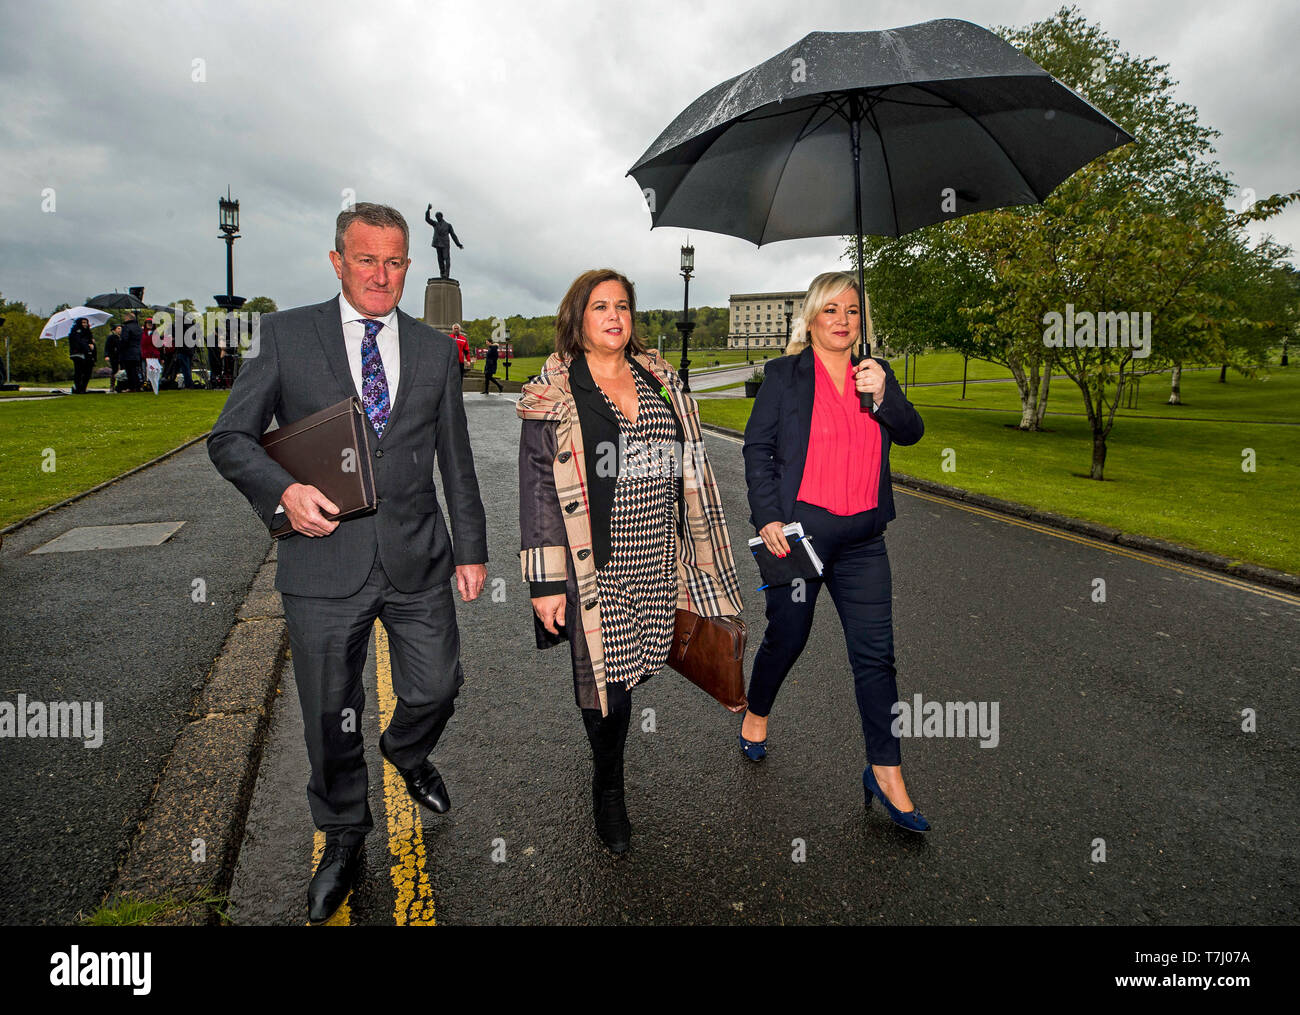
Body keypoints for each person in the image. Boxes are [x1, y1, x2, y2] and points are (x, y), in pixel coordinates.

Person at [208, 202, 489, 922]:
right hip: (322, 563)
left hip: (418, 556)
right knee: (330, 714)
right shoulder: (286, 335)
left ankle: (405, 747)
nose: (382, 274)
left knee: (437, 685)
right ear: (338, 262)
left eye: (395, 261)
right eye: (366, 259)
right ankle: (342, 832)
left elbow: (454, 458)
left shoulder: (433, 349)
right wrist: (285, 493)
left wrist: (473, 548)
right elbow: (231, 438)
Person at [517, 268, 743, 854]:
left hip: (656, 561)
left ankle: (609, 758)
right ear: (578, 320)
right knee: (605, 686)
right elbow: (539, 490)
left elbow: (685, 467)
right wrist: (545, 583)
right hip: (595, 563)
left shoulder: (660, 380)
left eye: (622, 306)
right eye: (600, 307)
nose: (614, 316)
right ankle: (609, 786)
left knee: (634, 669)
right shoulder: (558, 394)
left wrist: (697, 547)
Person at [740, 271, 929, 832]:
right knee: (788, 637)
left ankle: (886, 771)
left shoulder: (876, 375)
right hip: (803, 536)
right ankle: (756, 711)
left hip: (865, 541)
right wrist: (768, 514)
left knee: (876, 657)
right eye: (831, 310)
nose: (842, 320)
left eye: (852, 310)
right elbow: (758, 449)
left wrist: (885, 394)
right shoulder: (783, 376)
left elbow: (913, 432)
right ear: (812, 318)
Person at [424, 207, 463, 279]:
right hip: (438, 243)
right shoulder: (435, 224)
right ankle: (442, 273)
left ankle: (446, 274)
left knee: (446, 258)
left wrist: (458, 244)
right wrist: (428, 210)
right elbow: (427, 219)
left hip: (445, 244)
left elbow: (453, 235)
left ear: (441, 216)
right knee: (440, 260)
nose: (437, 218)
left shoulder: (448, 225)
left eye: (438, 217)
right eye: (436, 217)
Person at [68, 318, 95, 393]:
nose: (84, 324)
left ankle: (82, 388)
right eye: (83, 322)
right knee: (79, 372)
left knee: (87, 372)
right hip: (78, 354)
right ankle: (78, 388)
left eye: (86, 322)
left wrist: (91, 343)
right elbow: (79, 342)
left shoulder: (87, 332)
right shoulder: (76, 331)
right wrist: (88, 346)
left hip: (87, 354)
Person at [120, 313, 144, 391]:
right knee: (136, 370)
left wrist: (120, 346)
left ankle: (132, 386)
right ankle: (138, 386)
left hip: (128, 352)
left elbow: (125, 340)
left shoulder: (126, 327)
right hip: (138, 351)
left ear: (128, 318)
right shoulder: (138, 327)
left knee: (130, 371)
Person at [142, 318, 164, 394]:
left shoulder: (155, 333)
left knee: (155, 371)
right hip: (145, 355)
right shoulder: (143, 333)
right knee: (146, 372)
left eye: (151, 323)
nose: (149, 324)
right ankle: (148, 385)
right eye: (148, 323)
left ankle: (155, 387)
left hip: (154, 355)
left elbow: (159, 345)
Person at [105, 323, 122, 393]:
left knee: (121, 370)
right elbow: (107, 347)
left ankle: (120, 385)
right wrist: (106, 355)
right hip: (113, 356)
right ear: (115, 330)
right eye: (118, 328)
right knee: (114, 370)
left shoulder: (122, 337)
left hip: (121, 356)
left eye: (120, 328)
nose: (120, 330)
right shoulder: (111, 337)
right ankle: (112, 385)